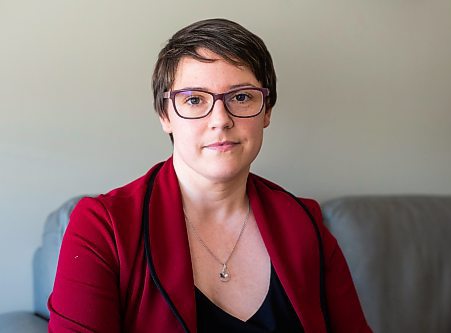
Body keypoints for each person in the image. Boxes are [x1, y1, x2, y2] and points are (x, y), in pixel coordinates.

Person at [48, 18, 371, 333]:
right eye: (194, 99)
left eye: (241, 97)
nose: (220, 119)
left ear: (267, 110)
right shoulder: (103, 227)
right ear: (165, 115)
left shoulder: (304, 221)